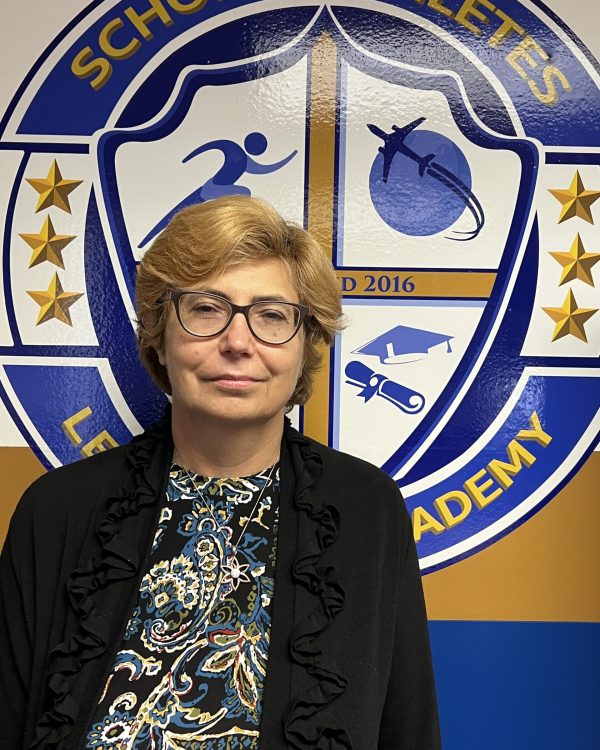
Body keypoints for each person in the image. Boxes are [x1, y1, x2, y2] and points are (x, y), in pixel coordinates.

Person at [0, 195, 441, 749]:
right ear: (160, 331)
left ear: (308, 343)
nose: (238, 342)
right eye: (206, 309)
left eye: (272, 315)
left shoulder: (365, 511)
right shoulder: (56, 511)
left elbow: (409, 729)